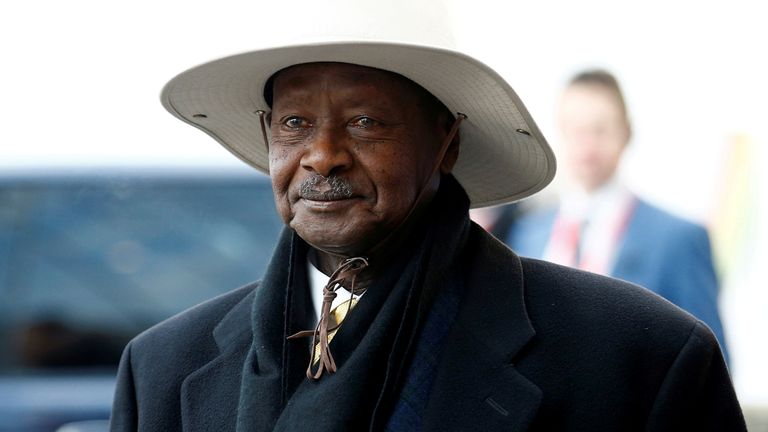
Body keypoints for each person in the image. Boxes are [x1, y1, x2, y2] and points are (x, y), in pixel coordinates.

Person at [109, 42, 744, 431]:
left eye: (365, 122)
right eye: (295, 122)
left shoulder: (639, 359)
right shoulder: (163, 369)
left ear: (447, 141)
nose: (322, 155)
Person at [506, 70, 729, 362]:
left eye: (600, 130)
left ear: (626, 133)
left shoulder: (678, 239)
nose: (587, 147)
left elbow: (711, 365)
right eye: (574, 131)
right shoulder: (527, 234)